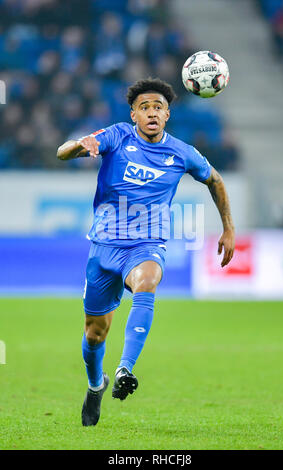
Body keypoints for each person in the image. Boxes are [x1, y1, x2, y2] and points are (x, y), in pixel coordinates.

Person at [57, 77, 235, 426]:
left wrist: (228, 228)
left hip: (145, 244)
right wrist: (80, 146)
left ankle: (126, 368)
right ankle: (96, 385)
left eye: (158, 107)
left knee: (147, 280)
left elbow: (214, 179)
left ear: (167, 115)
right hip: (104, 246)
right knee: (95, 333)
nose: (151, 113)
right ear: (134, 115)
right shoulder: (118, 135)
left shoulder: (181, 153)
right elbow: (63, 152)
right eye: (144, 107)